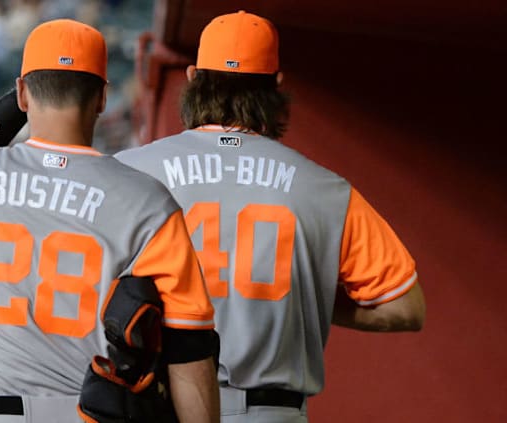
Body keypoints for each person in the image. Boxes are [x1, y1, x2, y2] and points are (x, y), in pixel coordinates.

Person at [114, 10, 427, 423]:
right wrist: (304, 293)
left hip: (160, 405)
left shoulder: (126, 171)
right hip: (270, 411)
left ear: (192, 78)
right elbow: (405, 306)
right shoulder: (324, 188)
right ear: (276, 86)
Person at [0, 18, 220, 423]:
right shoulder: (149, 202)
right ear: (102, 99)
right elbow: (188, 347)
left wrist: (14, 103)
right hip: (94, 412)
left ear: (23, 93)